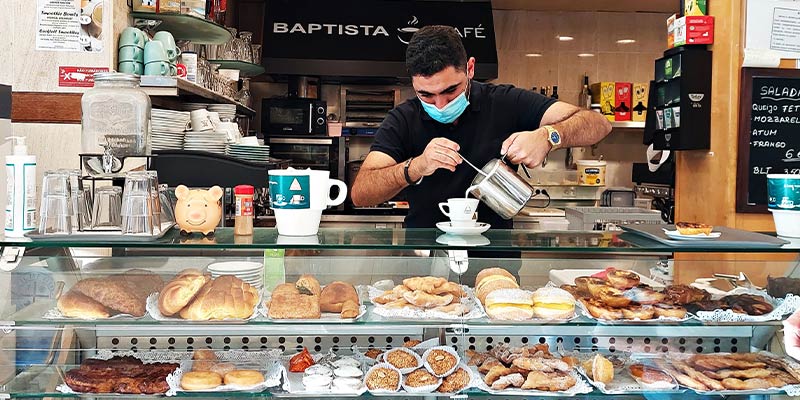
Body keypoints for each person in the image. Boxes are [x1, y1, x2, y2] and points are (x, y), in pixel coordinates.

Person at [350, 26, 611, 283]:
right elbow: (361, 193)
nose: (440, 105)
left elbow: (598, 124)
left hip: (494, 265)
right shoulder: (403, 119)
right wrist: (415, 167)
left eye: (450, 91)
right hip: (423, 265)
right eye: (426, 95)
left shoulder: (505, 102)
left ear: (471, 69)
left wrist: (549, 136)